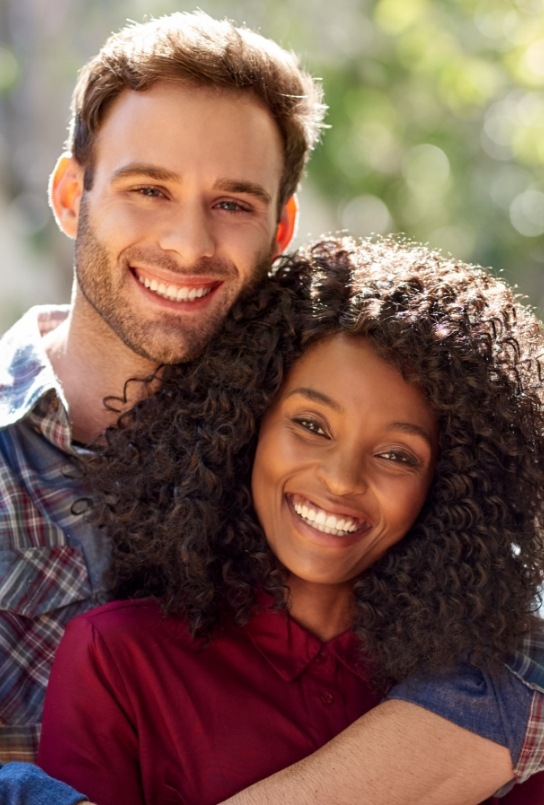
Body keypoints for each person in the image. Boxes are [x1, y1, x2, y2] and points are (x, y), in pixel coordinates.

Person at [38, 236, 544, 804]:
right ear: (247, 422)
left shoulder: (494, 691)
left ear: (447, 486)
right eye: (312, 425)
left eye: (398, 455)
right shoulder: (116, 658)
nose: (343, 479)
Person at [0, 8, 324, 772]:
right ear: (72, 194)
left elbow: (518, 674)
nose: (189, 244)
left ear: (281, 231)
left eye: (234, 204)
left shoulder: (317, 455)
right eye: (149, 189)